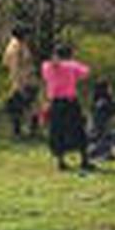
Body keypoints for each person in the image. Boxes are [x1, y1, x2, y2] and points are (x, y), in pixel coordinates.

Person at [41, 43, 93, 172]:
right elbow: (86, 72)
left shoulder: (46, 66)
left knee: (57, 131)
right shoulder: (72, 66)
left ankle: (61, 161)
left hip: (54, 103)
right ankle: (84, 160)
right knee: (78, 130)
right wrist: (73, 63)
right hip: (70, 102)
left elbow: (46, 73)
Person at [1, 26, 41, 139]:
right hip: (23, 81)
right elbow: (14, 68)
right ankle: (20, 132)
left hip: (28, 79)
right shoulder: (15, 48)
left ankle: (28, 131)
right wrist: (19, 85)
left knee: (31, 106)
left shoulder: (20, 45)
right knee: (23, 107)